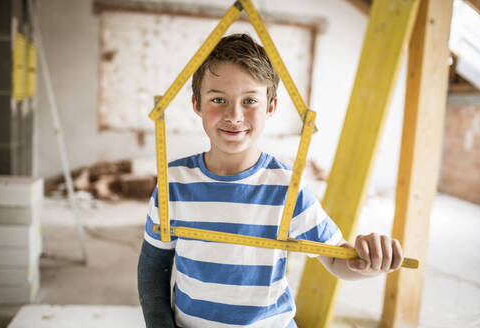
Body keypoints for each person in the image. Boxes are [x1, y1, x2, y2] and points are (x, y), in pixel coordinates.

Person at [137, 33, 404, 328]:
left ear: (271, 106)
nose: (234, 115)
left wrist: (366, 262)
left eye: (250, 100)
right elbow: (153, 266)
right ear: (197, 104)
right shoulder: (174, 183)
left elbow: (336, 258)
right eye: (218, 99)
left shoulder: (288, 187)